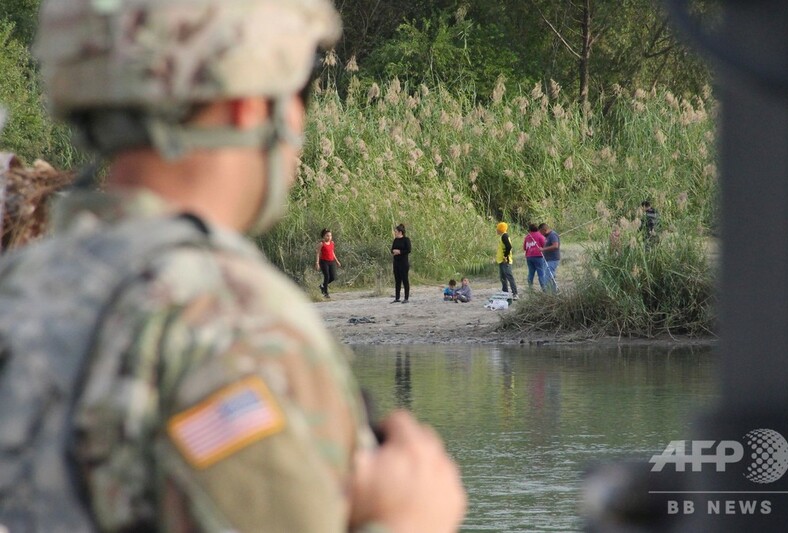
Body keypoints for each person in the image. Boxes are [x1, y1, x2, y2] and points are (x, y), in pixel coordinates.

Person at [0, 1, 466, 532]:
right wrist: (410, 517)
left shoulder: (21, 286)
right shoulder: (232, 318)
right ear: (246, 104)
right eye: (300, 88)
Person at [315, 228, 341, 299]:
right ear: (323, 236)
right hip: (324, 262)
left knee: (332, 277)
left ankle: (322, 286)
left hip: (331, 261)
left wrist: (337, 261)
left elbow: (332, 252)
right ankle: (326, 293)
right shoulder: (321, 244)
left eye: (330, 236)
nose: (329, 237)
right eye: (327, 236)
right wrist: (317, 263)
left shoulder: (332, 243)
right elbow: (317, 253)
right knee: (327, 276)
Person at [496, 222, 518, 298]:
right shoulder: (502, 236)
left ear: (500, 229)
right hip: (501, 260)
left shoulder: (504, 236)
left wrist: (505, 256)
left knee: (509, 276)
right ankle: (504, 293)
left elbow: (509, 247)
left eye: (498, 229)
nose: (496, 230)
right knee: (502, 278)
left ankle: (515, 293)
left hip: (505, 260)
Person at [391, 223, 411, 303]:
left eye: (396, 231)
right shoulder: (395, 240)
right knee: (397, 280)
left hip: (404, 263)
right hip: (396, 262)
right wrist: (393, 251)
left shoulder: (406, 240)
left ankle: (406, 298)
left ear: (400, 232)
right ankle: (397, 297)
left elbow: (408, 250)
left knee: (405, 280)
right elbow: (392, 249)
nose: (394, 233)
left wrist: (400, 252)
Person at [523, 223, 547, 290]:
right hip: (538, 256)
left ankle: (530, 288)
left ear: (529, 229)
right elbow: (544, 245)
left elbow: (525, 248)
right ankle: (544, 288)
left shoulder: (527, 236)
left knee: (531, 273)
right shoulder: (540, 235)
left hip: (529, 257)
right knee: (541, 273)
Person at [540, 223, 561, 291]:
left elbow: (555, 246)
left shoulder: (552, 235)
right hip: (547, 259)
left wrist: (543, 249)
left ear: (544, 230)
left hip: (553, 259)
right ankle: (554, 292)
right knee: (551, 277)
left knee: (547, 278)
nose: (541, 234)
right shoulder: (547, 236)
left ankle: (548, 293)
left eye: (541, 232)